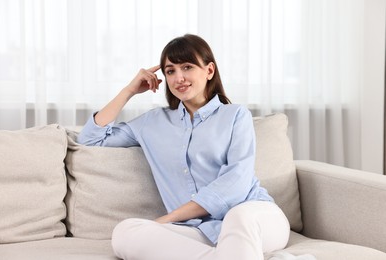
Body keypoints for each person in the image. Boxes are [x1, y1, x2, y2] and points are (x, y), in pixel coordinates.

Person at [77, 34, 290, 260]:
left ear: (209, 71)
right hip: (196, 231)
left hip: (256, 219)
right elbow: (91, 139)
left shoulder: (236, 116)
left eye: (187, 67)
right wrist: (129, 90)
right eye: (170, 71)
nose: (179, 77)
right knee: (126, 232)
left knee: (237, 218)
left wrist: (166, 220)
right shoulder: (152, 123)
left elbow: (236, 183)